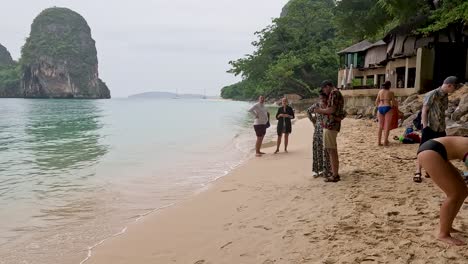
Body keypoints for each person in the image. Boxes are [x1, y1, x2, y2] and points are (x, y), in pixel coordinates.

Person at [417, 136, 468, 246]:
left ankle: (447, 226)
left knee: (462, 191)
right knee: (454, 193)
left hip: (435, 150)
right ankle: (443, 234)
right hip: (430, 152)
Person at [413, 76, 460, 182]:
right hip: (430, 126)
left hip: (441, 127)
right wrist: (425, 127)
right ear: (449, 85)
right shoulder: (432, 94)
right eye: (455, 87)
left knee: (440, 149)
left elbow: (442, 112)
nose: (455, 90)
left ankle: (430, 170)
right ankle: (418, 171)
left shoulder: (445, 96)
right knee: (423, 149)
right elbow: (424, 110)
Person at [314, 81, 345, 182]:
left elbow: (331, 110)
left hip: (331, 124)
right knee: (332, 149)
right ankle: (334, 173)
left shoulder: (334, 93)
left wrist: (320, 111)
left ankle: (335, 175)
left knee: (331, 150)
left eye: (324, 89)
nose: (324, 92)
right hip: (333, 124)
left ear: (327, 87)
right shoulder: (337, 93)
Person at [307, 93, 331, 177]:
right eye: (321, 98)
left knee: (325, 149)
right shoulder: (317, 105)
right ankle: (318, 170)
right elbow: (308, 111)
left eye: (323, 98)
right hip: (318, 129)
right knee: (317, 148)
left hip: (326, 128)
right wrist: (313, 121)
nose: (322, 99)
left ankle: (326, 170)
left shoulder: (329, 105)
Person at [375, 81, 395, 146]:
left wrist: (379, 106)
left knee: (380, 126)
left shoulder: (380, 91)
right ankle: (385, 142)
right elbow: (393, 103)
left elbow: (376, 102)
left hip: (380, 108)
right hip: (387, 107)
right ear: (389, 86)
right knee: (387, 126)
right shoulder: (391, 92)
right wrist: (392, 107)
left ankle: (378, 142)